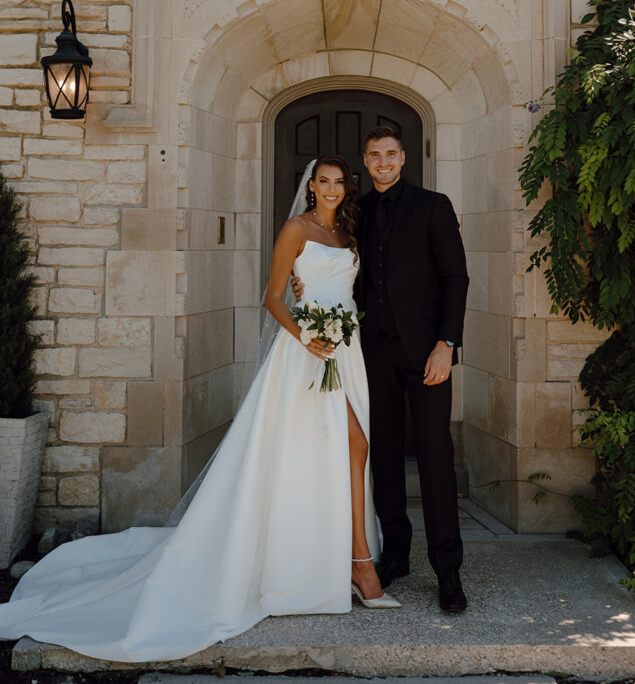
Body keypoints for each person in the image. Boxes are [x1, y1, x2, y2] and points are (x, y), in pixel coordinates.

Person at [0, 156, 398, 664]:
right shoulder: (295, 228)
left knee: (331, 452)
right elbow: (273, 296)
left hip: (347, 348)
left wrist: (329, 319)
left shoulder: (348, 232)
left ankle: (330, 558)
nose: (332, 190)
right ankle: (358, 566)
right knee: (351, 444)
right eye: (324, 182)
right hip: (306, 352)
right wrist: (305, 334)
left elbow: (346, 289)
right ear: (311, 186)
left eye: (340, 183)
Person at [293, 127, 469, 612]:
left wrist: (446, 344)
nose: (383, 162)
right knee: (383, 456)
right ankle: (394, 554)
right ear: (365, 164)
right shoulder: (357, 212)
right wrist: (302, 284)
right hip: (372, 354)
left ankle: (448, 571)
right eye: (374, 156)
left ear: (403, 157)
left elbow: (456, 277)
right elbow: (335, 265)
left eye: (390, 154)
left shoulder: (434, 205)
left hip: (428, 354)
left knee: (434, 457)